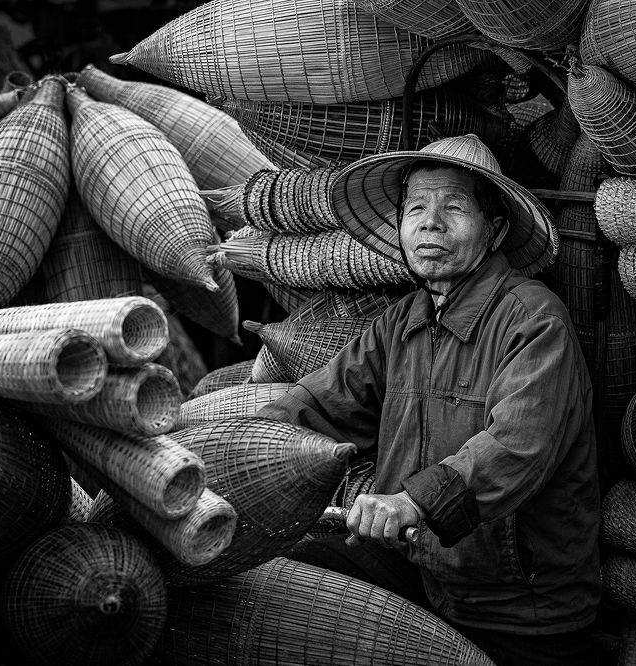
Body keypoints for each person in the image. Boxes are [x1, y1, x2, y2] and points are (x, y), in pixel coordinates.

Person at [256, 134, 601, 666]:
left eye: (453, 208)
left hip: (519, 607)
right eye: (416, 207)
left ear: (496, 231)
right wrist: (245, 449)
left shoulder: (534, 320)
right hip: (423, 572)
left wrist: (408, 502)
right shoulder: (403, 321)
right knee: (281, 578)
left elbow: (515, 447)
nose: (430, 223)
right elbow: (323, 402)